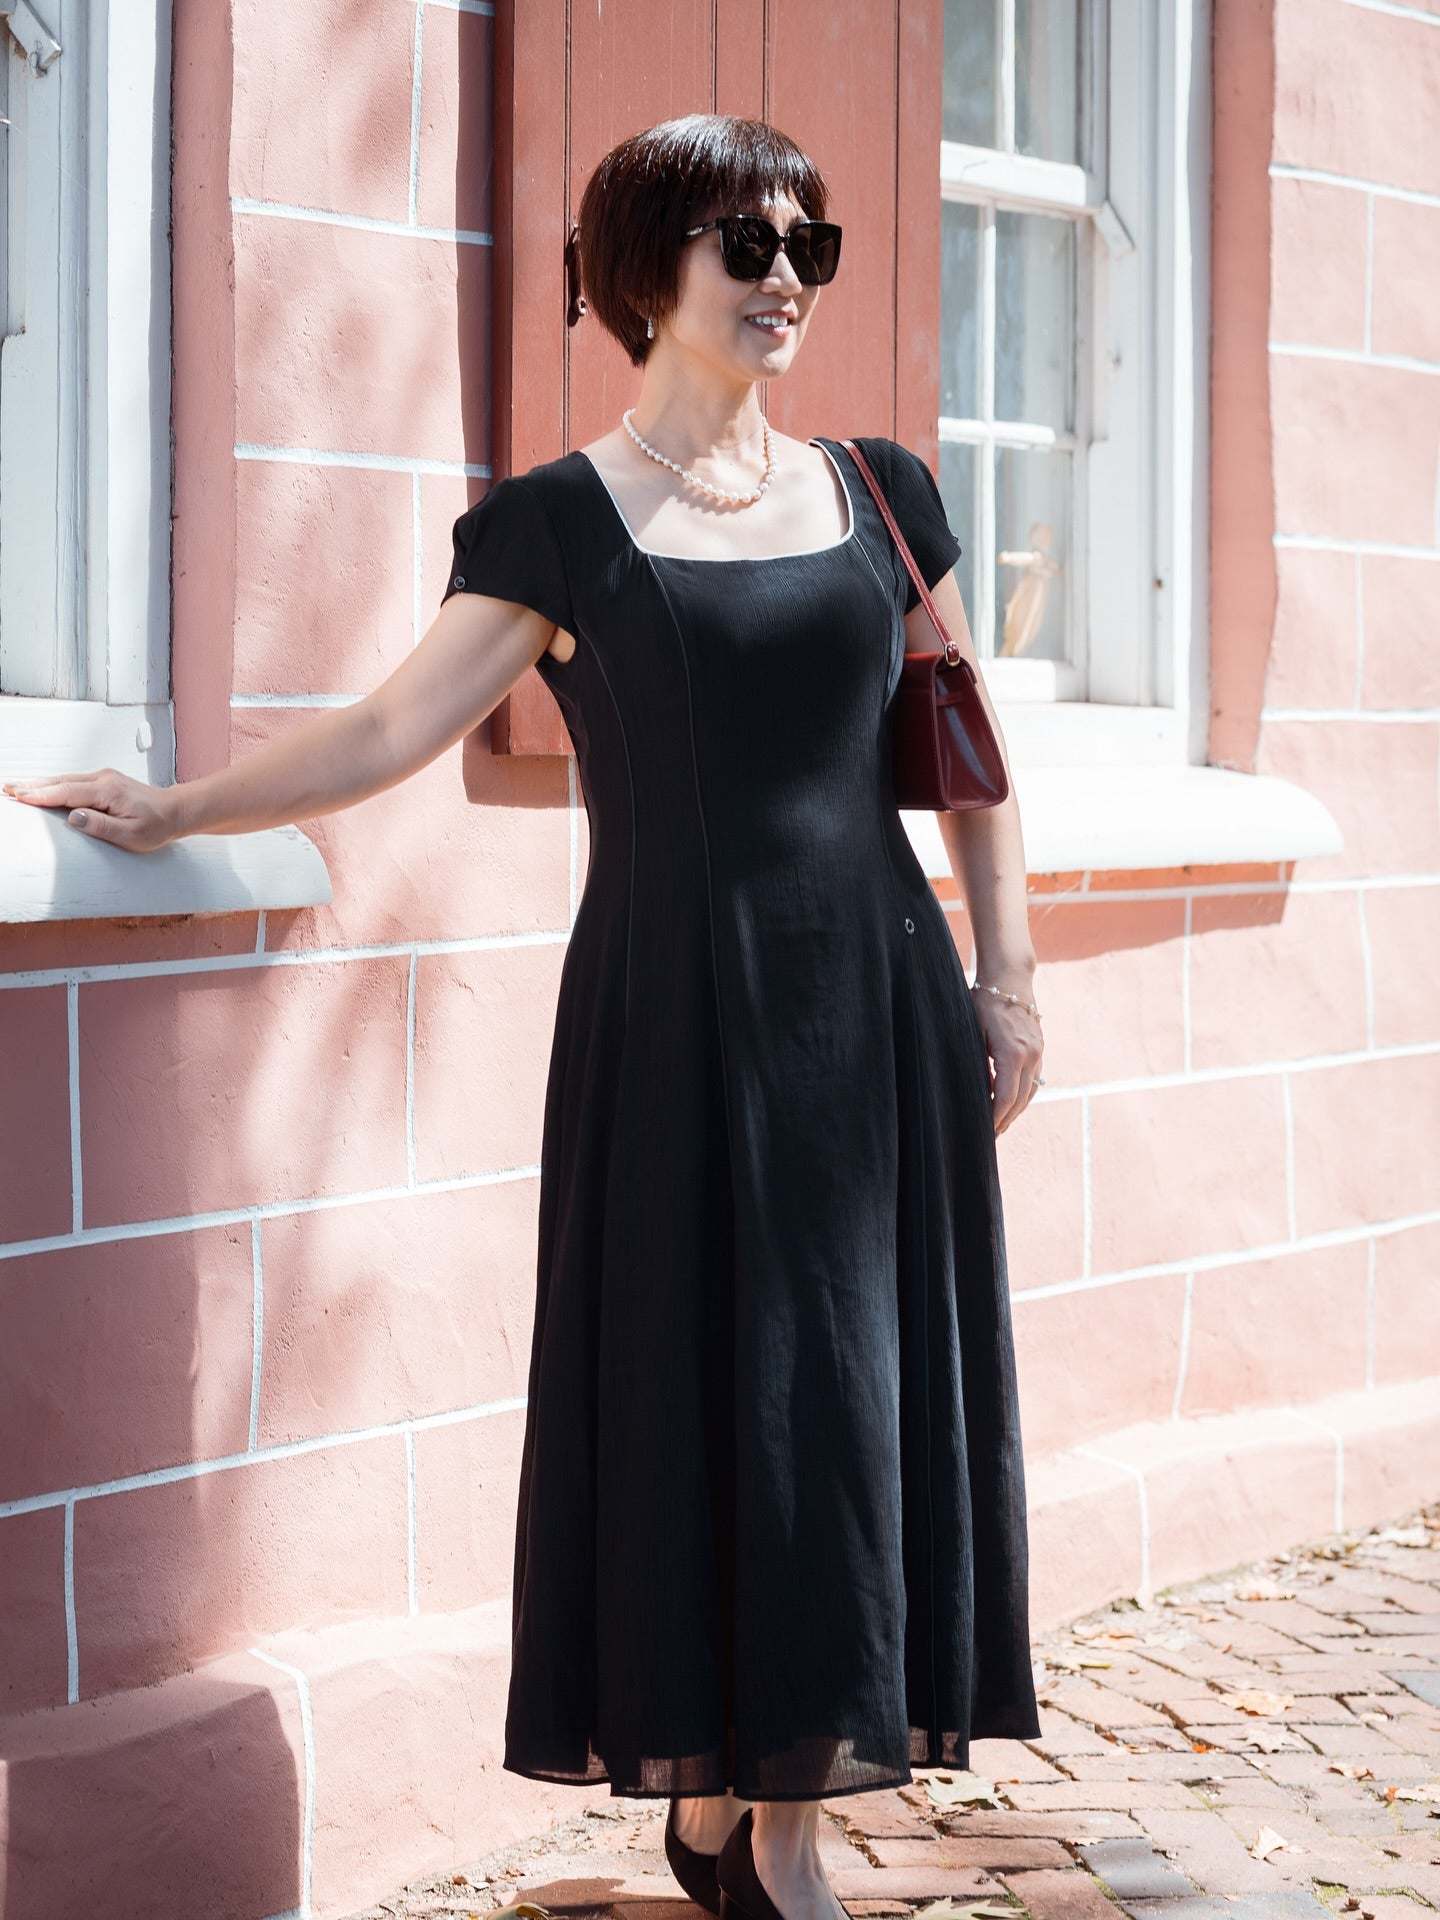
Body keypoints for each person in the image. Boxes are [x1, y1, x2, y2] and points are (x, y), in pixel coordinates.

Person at [3, 110, 1046, 1920]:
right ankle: (712, 1786)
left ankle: (783, 1821)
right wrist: (174, 808)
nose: (788, 277)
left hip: (873, 1014)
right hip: (673, 1023)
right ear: (653, 269)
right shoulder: (558, 527)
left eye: (814, 247)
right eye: (748, 243)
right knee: (701, 1400)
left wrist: (1005, 983)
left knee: (857, 1401)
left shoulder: (879, 491)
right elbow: (389, 731)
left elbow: (968, 752)